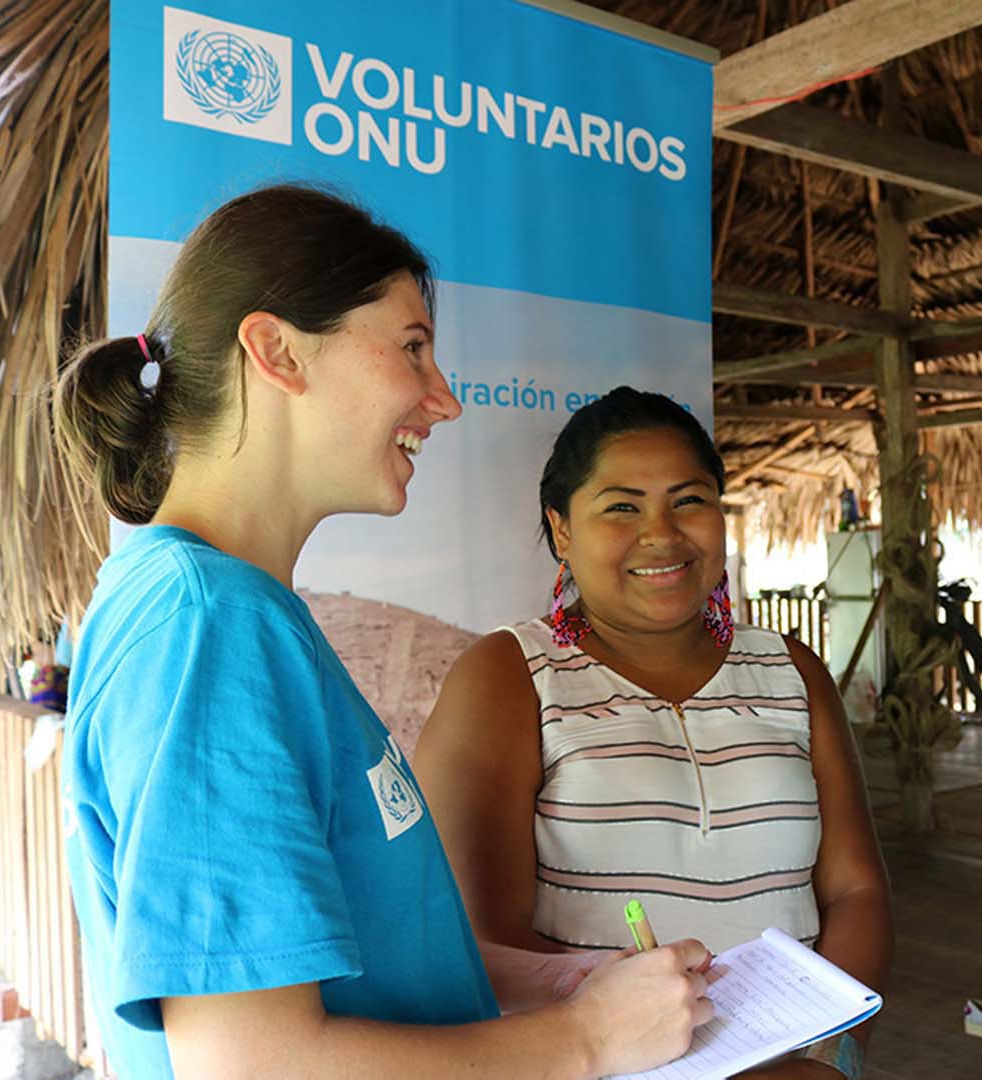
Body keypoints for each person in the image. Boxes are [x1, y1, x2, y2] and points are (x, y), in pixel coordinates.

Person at [54, 185, 713, 1080]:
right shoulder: (204, 629)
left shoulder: (238, 612)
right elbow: (254, 1063)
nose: (443, 400)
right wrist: (590, 1041)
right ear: (276, 349)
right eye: (412, 349)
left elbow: (368, 946)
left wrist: (562, 985)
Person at [415, 387, 893, 1079]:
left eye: (689, 500)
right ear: (562, 529)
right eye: (621, 507)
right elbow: (476, 935)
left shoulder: (793, 671)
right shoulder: (509, 676)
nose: (662, 534)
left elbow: (857, 893)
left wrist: (830, 1056)